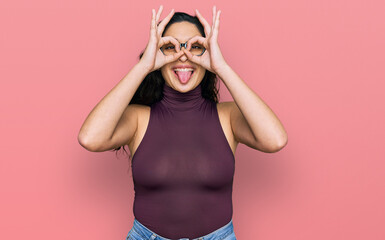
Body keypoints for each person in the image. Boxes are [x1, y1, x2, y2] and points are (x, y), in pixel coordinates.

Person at [78, 5, 288, 240]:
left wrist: (222, 67)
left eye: (195, 47)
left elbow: (276, 140)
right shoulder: (139, 118)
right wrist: (144, 65)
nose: (183, 56)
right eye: (171, 47)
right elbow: (90, 138)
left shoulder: (227, 117)